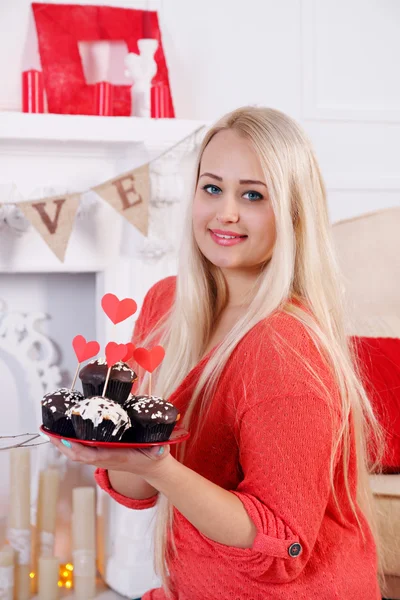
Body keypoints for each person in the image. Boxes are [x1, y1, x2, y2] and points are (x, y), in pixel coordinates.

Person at [50, 107, 385, 599]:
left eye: (252, 195)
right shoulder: (167, 305)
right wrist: (117, 448)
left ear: (293, 213)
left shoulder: (285, 348)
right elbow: (139, 490)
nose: (225, 212)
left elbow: (283, 546)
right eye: (212, 188)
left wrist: (157, 465)